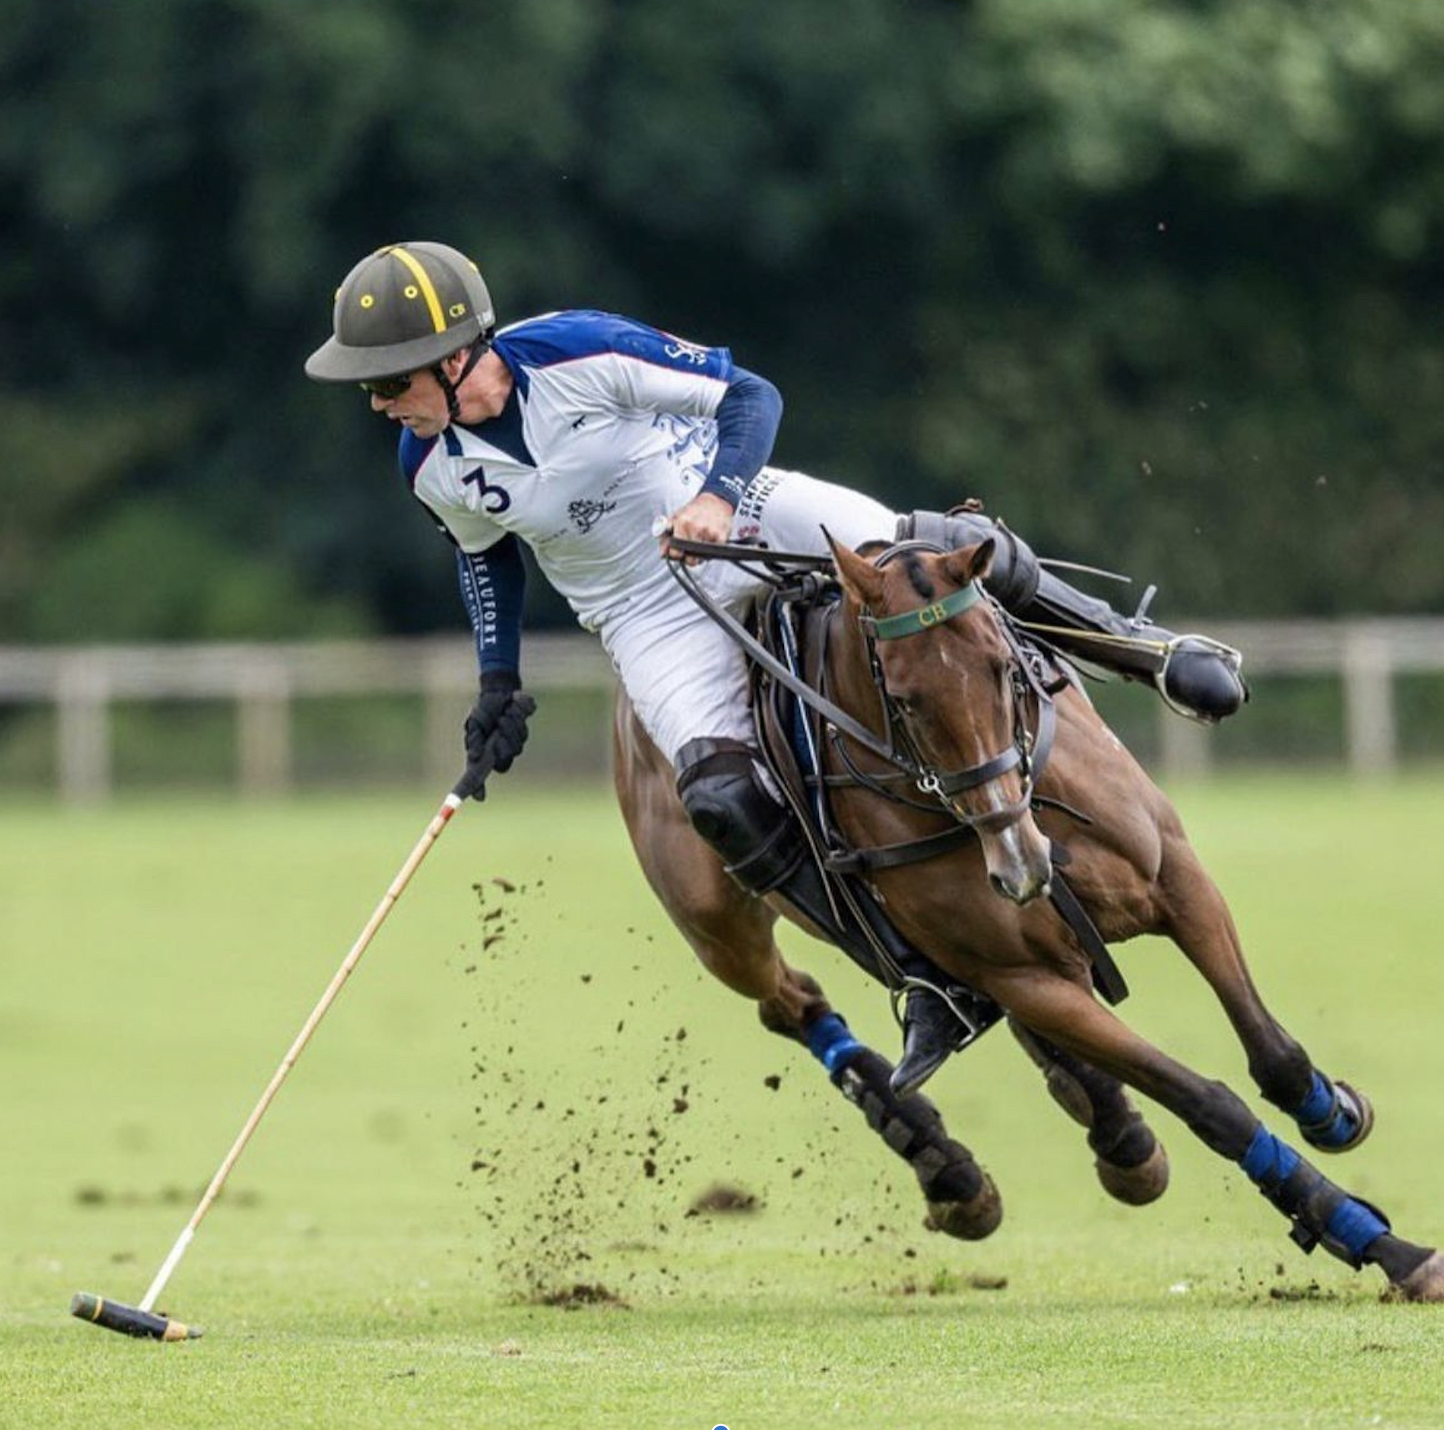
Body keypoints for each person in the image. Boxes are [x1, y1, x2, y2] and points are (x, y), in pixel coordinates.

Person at [304, 240, 1246, 1094]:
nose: (379, 403)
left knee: (945, 549)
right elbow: (485, 556)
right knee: (718, 798)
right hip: (646, 613)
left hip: (745, 513)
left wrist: (716, 497)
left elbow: (749, 395)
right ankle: (919, 970)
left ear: (456, 355)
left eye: (388, 382)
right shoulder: (426, 461)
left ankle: (1142, 650)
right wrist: (498, 683)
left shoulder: (577, 351)